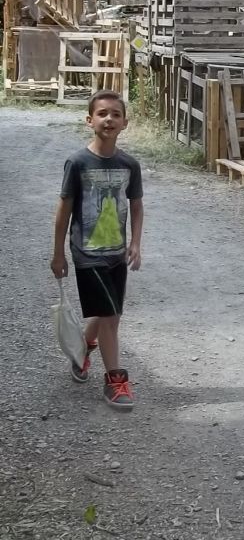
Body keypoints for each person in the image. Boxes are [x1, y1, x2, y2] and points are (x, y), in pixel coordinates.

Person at [50, 90, 143, 410]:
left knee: (107, 313)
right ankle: (115, 381)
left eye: (116, 114)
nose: (109, 119)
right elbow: (64, 208)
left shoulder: (129, 164)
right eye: (102, 113)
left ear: (125, 123)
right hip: (87, 253)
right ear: (89, 120)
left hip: (117, 252)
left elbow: (136, 205)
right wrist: (58, 253)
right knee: (111, 317)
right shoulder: (77, 162)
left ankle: (84, 346)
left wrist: (135, 243)